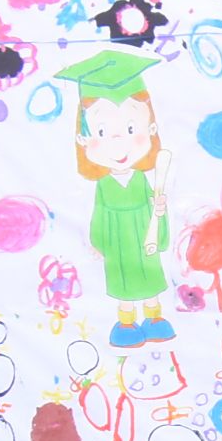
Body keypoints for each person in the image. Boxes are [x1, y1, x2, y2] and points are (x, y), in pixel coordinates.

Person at [54, 50, 175, 347]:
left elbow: (155, 207)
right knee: (124, 287)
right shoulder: (105, 186)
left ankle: (155, 319)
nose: (118, 143)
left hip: (143, 239)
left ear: (151, 129)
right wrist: (101, 243)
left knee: (151, 282)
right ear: (84, 140)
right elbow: (100, 216)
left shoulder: (142, 180)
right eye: (103, 131)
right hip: (120, 246)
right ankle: (127, 325)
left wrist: (158, 218)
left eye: (131, 129)